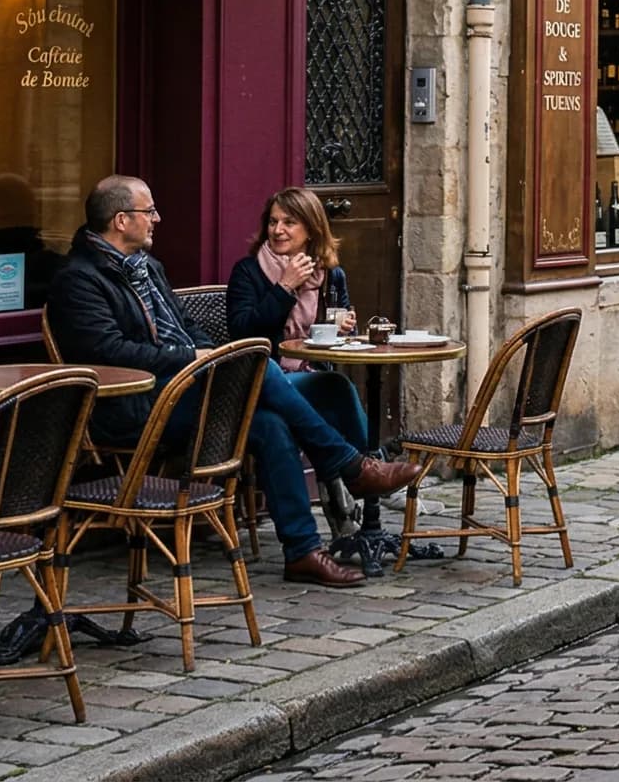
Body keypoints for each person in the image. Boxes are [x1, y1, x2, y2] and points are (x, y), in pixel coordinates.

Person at [46, 174, 422, 589]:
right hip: (137, 405)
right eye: (149, 211)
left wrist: (206, 353)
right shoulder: (79, 279)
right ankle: (351, 466)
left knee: (271, 420)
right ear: (121, 220)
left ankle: (302, 551)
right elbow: (109, 352)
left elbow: (187, 326)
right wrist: (193, 358)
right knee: (260, 367)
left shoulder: (147, 267)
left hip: (189, 388)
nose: (157, 218)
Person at [226, 187, 373, 533]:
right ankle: (364, 473)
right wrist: (284, 287)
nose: (278, 230)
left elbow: (337, 334)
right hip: (266, 378)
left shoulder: (331, 274)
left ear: (311, 229)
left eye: (289, 222)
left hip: (310, 371)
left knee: (333, 387)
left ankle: (353, 485)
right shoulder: (249, 271)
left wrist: (345, 328)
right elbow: (244, 333)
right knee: (335, 388)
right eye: (273, 222)